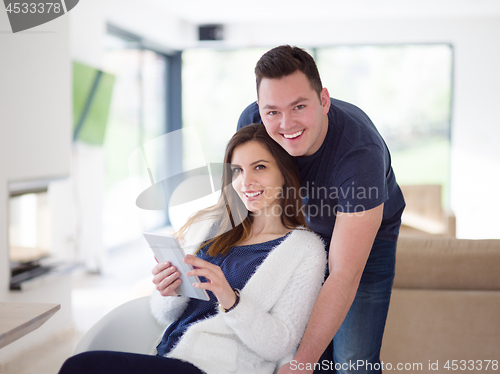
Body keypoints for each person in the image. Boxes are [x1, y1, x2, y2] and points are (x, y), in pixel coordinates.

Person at [59, 123, 326, 374]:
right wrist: (170, 289)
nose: (246, 182)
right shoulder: (211, 225)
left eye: (259, 167)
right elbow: (164, 315)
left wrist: (229, 298)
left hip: (216, 367)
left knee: (82, 367)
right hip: (167, 357)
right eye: (237, 171)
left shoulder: (305, 250)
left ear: (284, 172)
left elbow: (280, 344)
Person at [237, 46, 406, 374]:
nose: (286, 124)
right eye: (272, 111)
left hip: (366, 244)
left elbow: (344, 273)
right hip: (303, 236)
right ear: (260, 108)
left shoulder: (360, 153)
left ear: (323, 101)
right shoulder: (254, 124)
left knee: (352, 363)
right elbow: (244, 204)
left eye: (299, 106)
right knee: (299, 355)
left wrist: (301, 363)